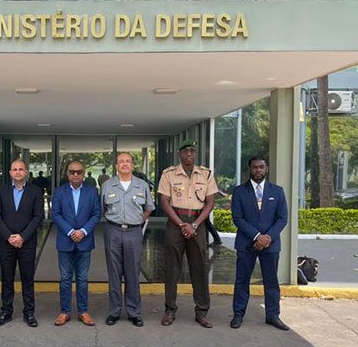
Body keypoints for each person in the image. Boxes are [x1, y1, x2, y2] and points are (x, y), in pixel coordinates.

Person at [157, 140, 218, 328]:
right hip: (176, 222)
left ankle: (201, 312)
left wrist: (195, 224)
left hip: (197, 223)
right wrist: (182, 224)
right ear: (180, 154)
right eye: (185, 151)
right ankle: (170, 310)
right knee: (172, 269)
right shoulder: (168, 174)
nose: (189, 154)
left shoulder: (206, 174)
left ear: (195, 154)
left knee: (199, 268)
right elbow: (165, 202)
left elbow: (210, 203)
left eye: (192, 151)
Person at [230, 155, 289, 331]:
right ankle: (238, 314)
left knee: (271, 281)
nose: (258, 170)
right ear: (250, 169)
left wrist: (267, 238)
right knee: (242, 280)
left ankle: (273, 315)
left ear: (267, 169)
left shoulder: (277, 191)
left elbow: (282, 218)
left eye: (261, 167)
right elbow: (238, 218)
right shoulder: (240, 191)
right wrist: (257, 236)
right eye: (255, 167)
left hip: (271, 245)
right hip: (245, 244)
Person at [100, 152, 155, 327]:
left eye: (128, 161)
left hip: (134, 232)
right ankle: (114, 311)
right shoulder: (107, 185)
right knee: (114, 274)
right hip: (113, 231)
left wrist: (138, 221)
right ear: (116, 165)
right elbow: (102, 208)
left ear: (132, 165)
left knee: (132, 273)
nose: (124, 164)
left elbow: (148, 208)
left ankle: (134, 312)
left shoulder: (142, 185)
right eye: (121, 162)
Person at [0, 159, 44, 328]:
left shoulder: (36, 191)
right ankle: (6, 311)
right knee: (6, 278)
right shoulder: (1, 191)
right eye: (14, 169)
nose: (17, 172)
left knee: (27, 278)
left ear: (26, 172)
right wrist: (8, 236)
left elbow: (38, 217)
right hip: (6, 243)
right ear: (10, 172)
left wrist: (22, 237)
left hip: (27, 243)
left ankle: (29, 313)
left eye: (21, 169)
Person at [51, 161, 101, 327]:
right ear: (67, 174)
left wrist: (83, 232)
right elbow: (55, 214)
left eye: (79, 172)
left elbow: (96, 214)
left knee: (82, 278)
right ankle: (64, 312)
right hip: (66, 241)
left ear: (84, 173)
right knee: (65, 278)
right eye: (72, 172)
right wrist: (71, 231)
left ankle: (83, 311)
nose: (75, 175)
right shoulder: (59, 192)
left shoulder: (92, 191)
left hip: (85, 241)